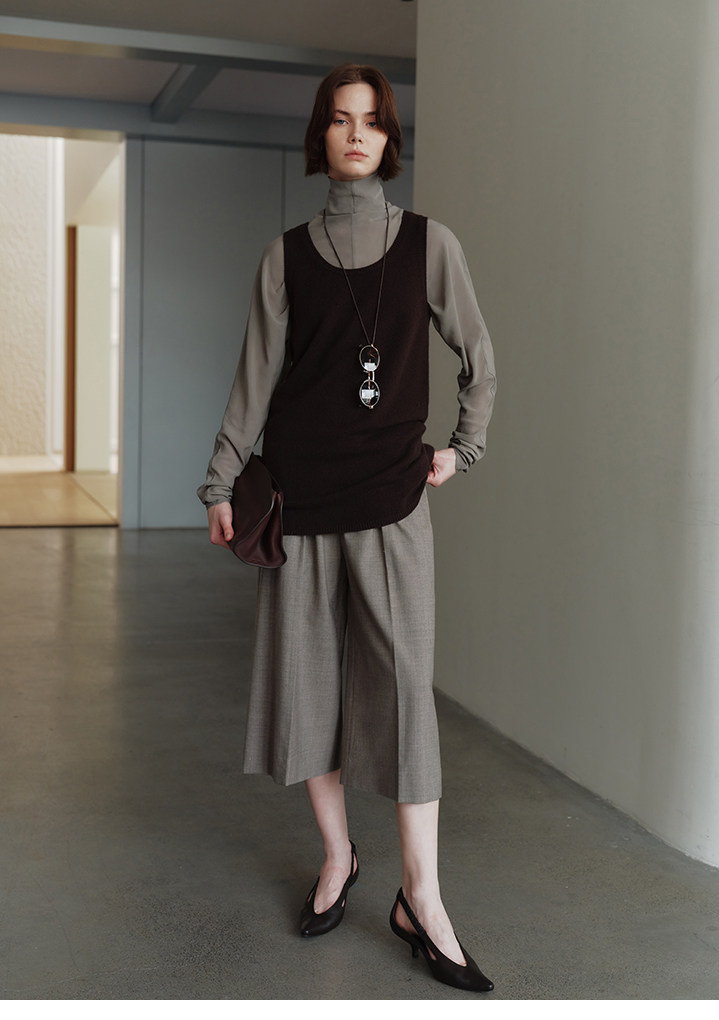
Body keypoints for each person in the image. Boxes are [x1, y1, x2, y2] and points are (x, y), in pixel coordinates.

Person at [197, 63, 496, 993]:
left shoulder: (430, 245)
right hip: (299, 502)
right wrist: (219, 480)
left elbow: (479, 357)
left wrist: (463, 447)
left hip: (393, 505)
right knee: (308, 694)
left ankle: (423, 899)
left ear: (389, 138)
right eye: (340, 119)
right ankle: (339, 857)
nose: (357, 133)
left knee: (406, 695)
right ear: (320, 136)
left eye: (371, 120)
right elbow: (254, 381)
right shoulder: (283, 257)